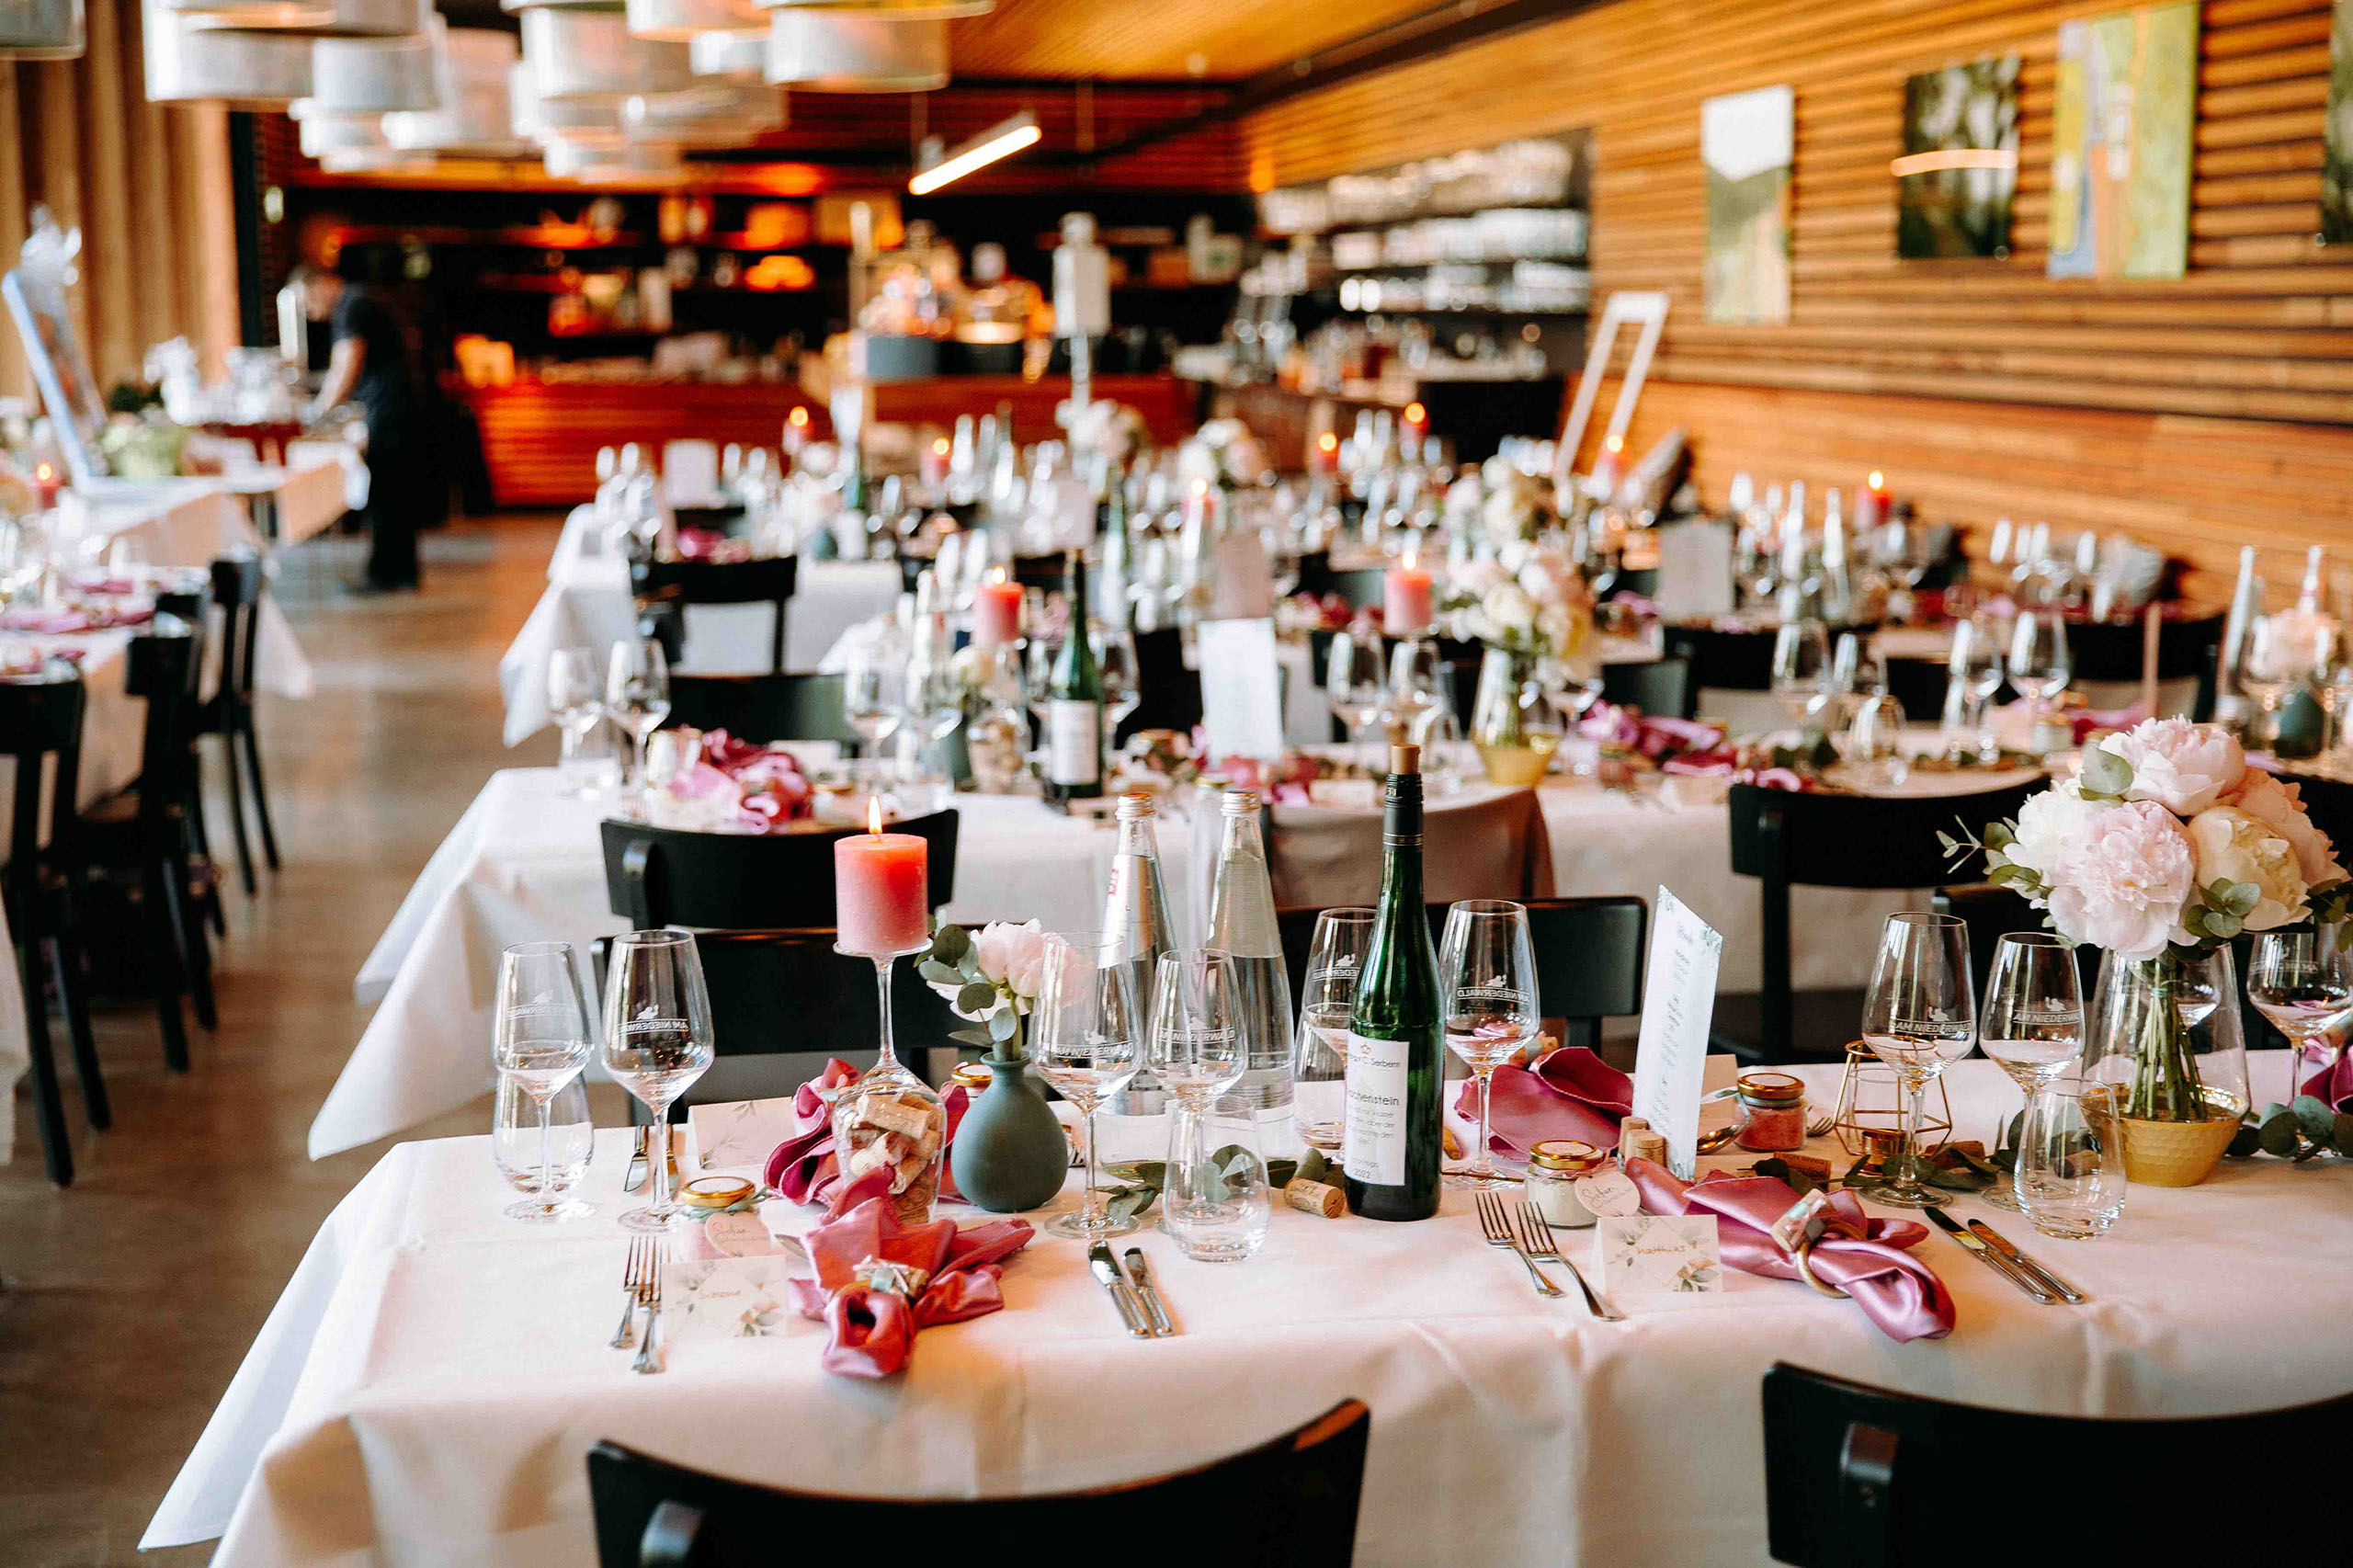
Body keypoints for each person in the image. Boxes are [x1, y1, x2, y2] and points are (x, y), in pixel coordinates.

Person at [296, 264, 436, 591]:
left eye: (309, 303)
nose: (313, 314)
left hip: (390, 411)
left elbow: (347, 364)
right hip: (399, 407)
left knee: (386, 493)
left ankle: (385, 575)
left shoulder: (352, 306)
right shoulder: (361, 300)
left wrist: (317, 414)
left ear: (321, 284)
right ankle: (400, 573)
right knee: (395, 494)